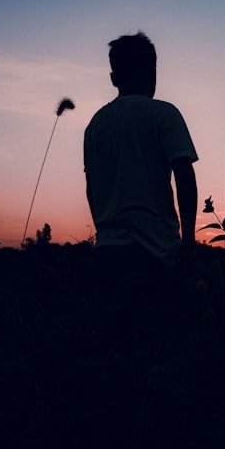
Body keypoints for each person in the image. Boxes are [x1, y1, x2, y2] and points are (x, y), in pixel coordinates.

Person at [84, 32, 198, 283]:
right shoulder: (164, 113)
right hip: (158, 257)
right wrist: (188, 243)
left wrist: (104, 233)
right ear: (153, 73)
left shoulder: (95, 125)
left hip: (107, 257)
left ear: (114, 78)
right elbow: (185, 177)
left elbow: (91, 189)